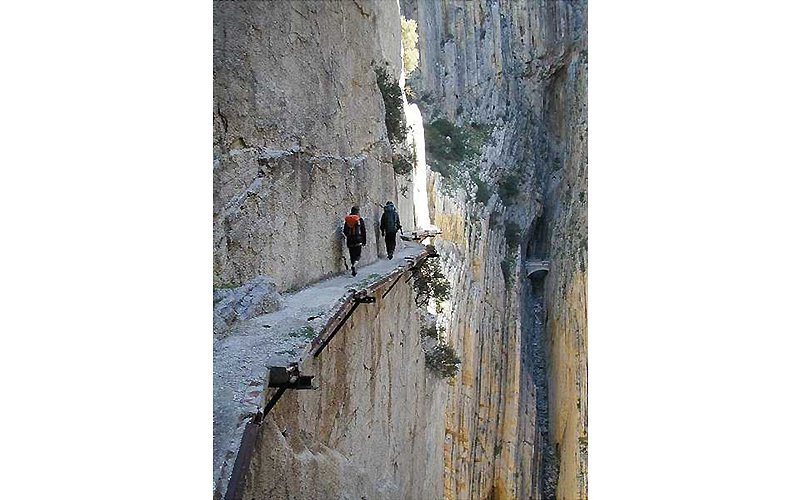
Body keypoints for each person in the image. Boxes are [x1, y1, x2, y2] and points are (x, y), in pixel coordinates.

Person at [343, 205, 367, 276]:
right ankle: (354, 265)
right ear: (357, 212)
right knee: (358, 255)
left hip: (350, 241)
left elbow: (345, 231)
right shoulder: (360, 219)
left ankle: (353, 269)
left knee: (352, 255)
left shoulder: (347, 220)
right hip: (358, 240)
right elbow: (363, 231)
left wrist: (349, 237)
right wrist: (364, 240)